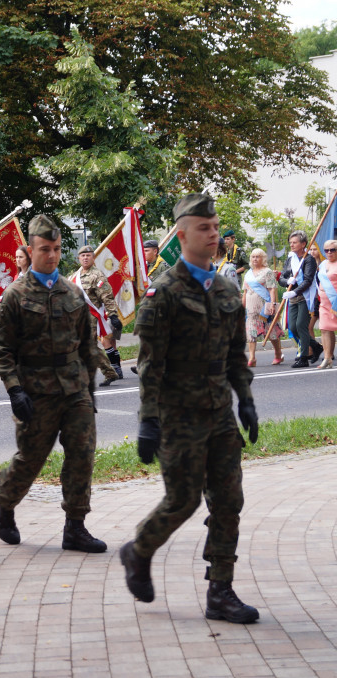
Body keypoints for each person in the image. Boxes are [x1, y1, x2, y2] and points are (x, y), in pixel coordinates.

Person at [121, 193, 260, 623]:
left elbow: (237, 356)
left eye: (216, 226)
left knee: (228, 500)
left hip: (218, 412)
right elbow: (149, 365)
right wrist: (148, 420)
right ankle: (139, 549)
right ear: (182, 234)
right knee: (182, 501)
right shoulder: (163, 293)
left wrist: (247, 402)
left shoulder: (226, 288)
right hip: (177, 414)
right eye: (204, 228)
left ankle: (221, 591)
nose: (214, 234)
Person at [0, 216, 106, 553]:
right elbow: (2, 349)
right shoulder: (15, 295)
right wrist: (14, 390)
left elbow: (88, 344)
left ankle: (76, 526)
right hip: (35, 390)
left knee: (82, 454)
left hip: (74, 388)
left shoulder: (73, 292)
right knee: (31, 458)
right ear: (30, 250)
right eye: (44, 249)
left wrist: (91, 389)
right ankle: (4, 503)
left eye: (56, 249)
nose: (51, 256)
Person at [74, 244, 124, 386]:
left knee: (89, 346)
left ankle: (107, 372)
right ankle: (107, 372)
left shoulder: (97, 275)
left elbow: (107, 296)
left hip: (91, 316)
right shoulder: (76, 275)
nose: (85, 258)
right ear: (79, 258)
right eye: (82, 256)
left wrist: (113, 315)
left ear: (93, 258)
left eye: (88, 255)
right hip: (77, 317)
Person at [279, 229, 323, 368]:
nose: (291, 245)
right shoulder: (291, 258)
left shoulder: (308, 259)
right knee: (293, 327)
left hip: (305, 296)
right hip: (293, 298)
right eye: (290, 242)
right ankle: (315, 346)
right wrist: (287, 281)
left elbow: (308, 280)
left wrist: (295, 291)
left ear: (303, 243)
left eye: (295, 242)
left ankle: (304, 357)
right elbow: (281, 277)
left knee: (301, 326)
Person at [241, 248, 284, 367]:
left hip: (264, 307)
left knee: (271, 331)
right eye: (253, 257)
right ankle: (252, 358)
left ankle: (277, 353)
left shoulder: (267, 271)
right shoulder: (248, 274)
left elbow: (272, 289)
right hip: (251, 308)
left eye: (258, 257)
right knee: (251, 331)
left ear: (263, 258)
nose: (255, 259)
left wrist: (272, 304)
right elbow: (245, 292)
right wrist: (241, 307)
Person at [316, 239, 337, 369]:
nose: (329, 252)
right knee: (324, 329)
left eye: (332, 250)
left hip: (335, 302)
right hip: (324, 302)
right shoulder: (323, 264)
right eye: (326, 250)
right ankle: (327, 358)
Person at [308, 242, 323, 340]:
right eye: (311, 249)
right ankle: (314, 349)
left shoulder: (324, 264)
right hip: (313, 299)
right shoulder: (308, 264)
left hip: (324, 298)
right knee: (309, 327)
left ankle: (328, 351)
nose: (312, 252)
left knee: (326, 328)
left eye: (315, 249)